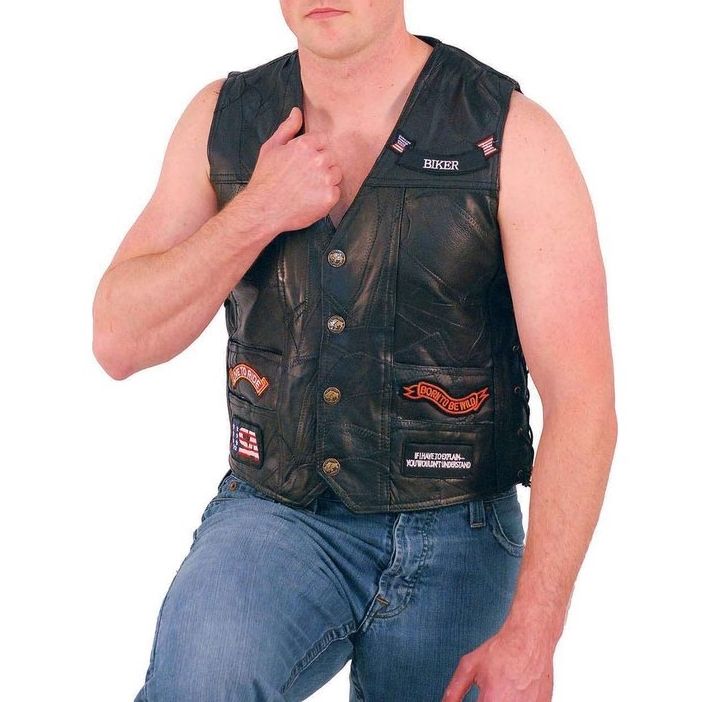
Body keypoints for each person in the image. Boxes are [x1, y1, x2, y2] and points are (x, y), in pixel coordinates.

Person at [92, 2, 617, 700]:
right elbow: (118, 339)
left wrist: (534, 635)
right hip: (276, 511)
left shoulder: (514, 135)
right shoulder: (225, 120)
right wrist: (258, 210)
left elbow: (583, 402)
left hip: (459, 525)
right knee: (202, 678)